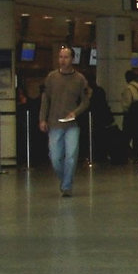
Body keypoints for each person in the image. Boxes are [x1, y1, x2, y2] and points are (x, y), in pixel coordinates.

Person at [38, 46, 91, 196]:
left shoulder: (80, 79)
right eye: (60, 57)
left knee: (71, 156)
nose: (62, 60)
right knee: (55, 157)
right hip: (54, 123)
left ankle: (67, 186)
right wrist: (42, 119)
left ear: (72, 59)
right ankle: (65, 179)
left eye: (66, 57)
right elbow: (45, 99)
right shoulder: (51, 77)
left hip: (72, 125)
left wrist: (75, 112)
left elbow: (85, 101)